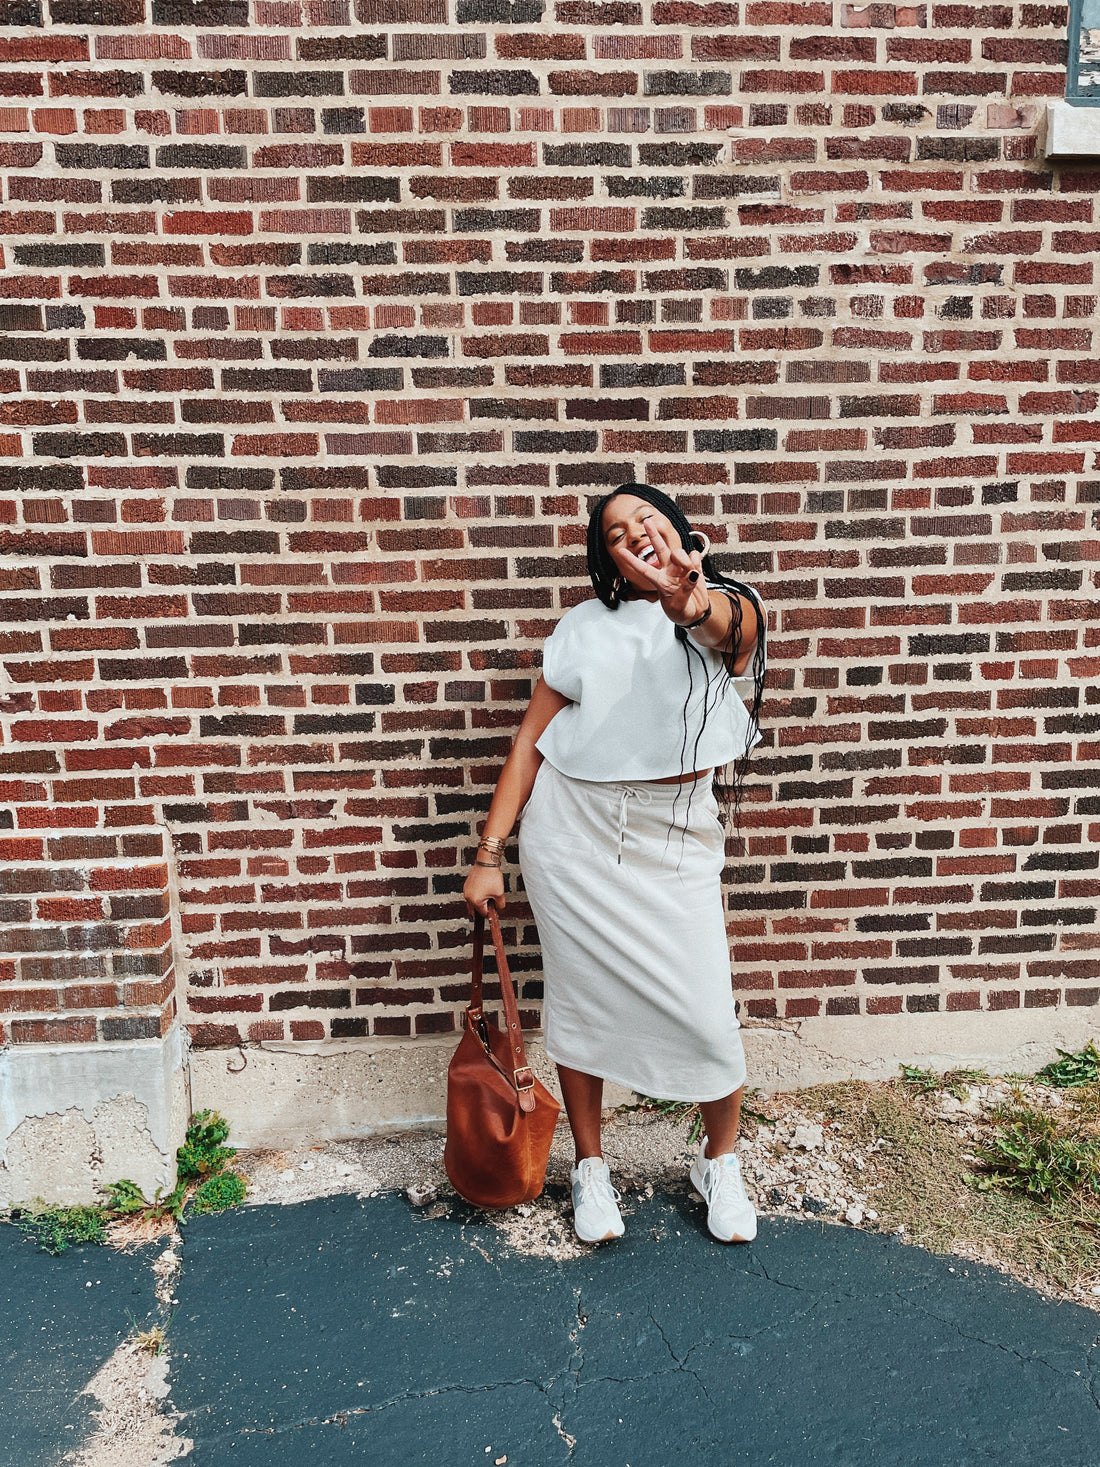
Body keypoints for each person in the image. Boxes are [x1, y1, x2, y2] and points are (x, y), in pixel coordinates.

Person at [462, 482, 767, 1245]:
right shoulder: (581, 628)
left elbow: (729, 635)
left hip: (674, 834)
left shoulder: (726, 603)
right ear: (606, 556)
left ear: (676, 528)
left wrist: (684, 599)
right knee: (582, 1004)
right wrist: (488, 852)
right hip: (574, 834)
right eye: (616, 531)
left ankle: (719, 1161)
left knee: (706, 1012)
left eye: (647, 519)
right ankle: (590, 1168)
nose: (636, 533)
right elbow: (530, 741)